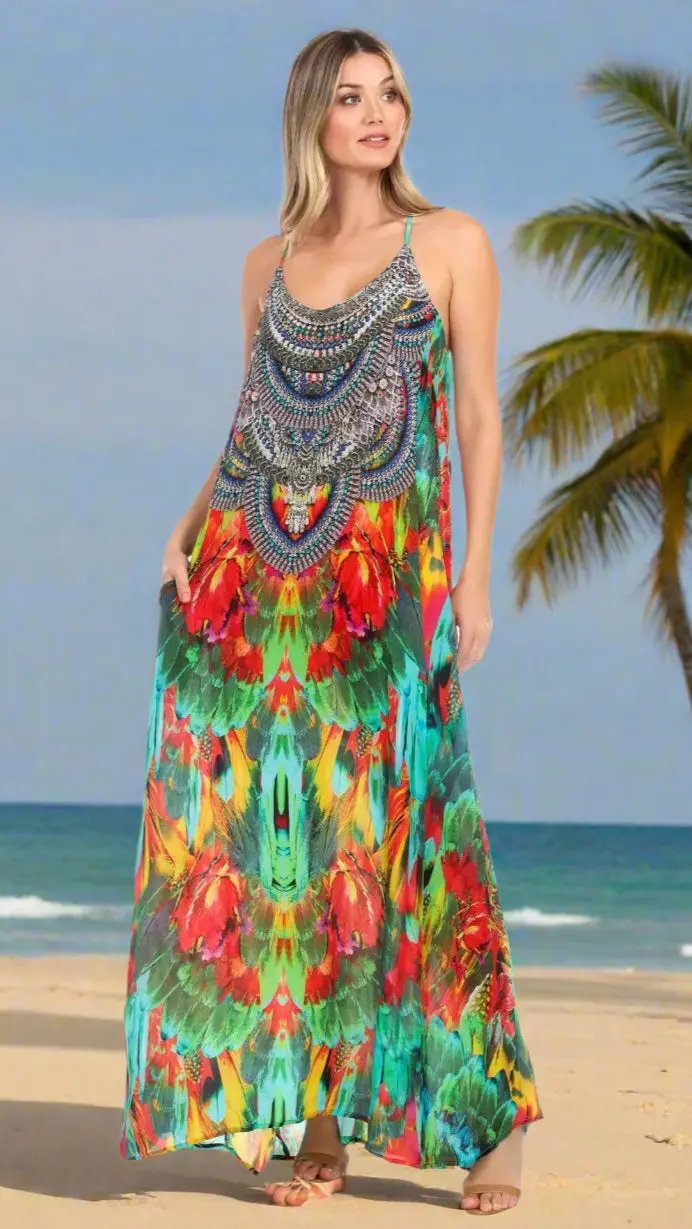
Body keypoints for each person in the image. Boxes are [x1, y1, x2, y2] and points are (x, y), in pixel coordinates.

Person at [119, 25, 544, 1216]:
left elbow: (476, 413)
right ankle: (313, 1121)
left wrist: (468, 575)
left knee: (417, 831)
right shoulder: (265, 263)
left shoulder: (449, 242)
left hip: (388, 587)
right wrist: (191, 523)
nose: (377, 112)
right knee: (287, 855)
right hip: (262, 596)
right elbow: (249, 421)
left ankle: (486, 1122)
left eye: (391, 92)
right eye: (351, 95)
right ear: (312, 116)